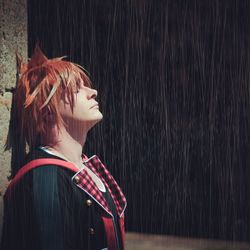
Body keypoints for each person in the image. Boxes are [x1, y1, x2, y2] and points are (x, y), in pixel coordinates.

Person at [1, 46, 127, 250]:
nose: (93, 92)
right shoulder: (44, 177)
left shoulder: (87, 169)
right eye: (77, 88)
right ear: (48, 110)